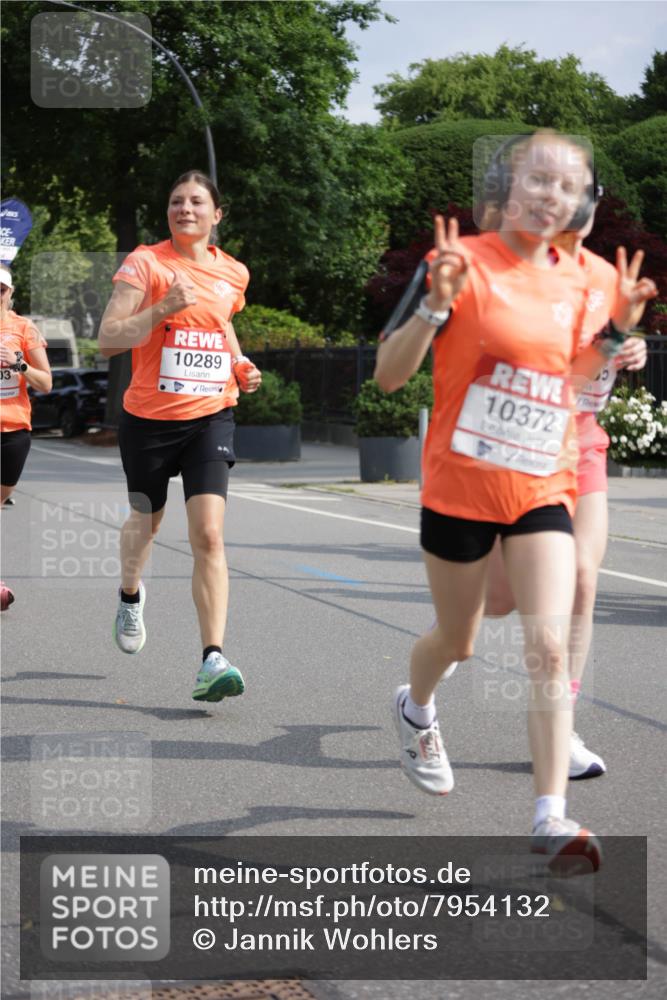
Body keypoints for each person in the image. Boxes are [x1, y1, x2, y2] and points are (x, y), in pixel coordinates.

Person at [374, 131, 654, 870]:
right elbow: (388, 377)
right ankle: (416, 705)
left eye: (566, 186)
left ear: (579, 201)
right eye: (537, 180)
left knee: (549, 641)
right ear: (508, 185)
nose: (549, 195)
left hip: (543, 483)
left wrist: (620, 333)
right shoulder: (461, 260)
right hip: (459, 488)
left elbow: (572, 379)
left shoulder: (593, 277)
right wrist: (434, 308)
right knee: (461, 638)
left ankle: (550, 817)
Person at [482, 197, 652, 779]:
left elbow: (620, 347)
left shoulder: (608, 278)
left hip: (582, 444)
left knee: (583, 577)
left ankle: (561, 722)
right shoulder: (522, 278)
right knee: (497, 601)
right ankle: (440, 656)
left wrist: (634, 347)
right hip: (523, 449)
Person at [99, 171, 261, 701]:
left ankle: (212, 657)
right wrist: (165, 305)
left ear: (218, 214)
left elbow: (221, 324)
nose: (184, 208)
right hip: (148, 418)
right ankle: (129, 594)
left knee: (209, 534)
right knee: (146, 518)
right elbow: (107, 340)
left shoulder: (233, 272)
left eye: (196, 201)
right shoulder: (145, 263)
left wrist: (239, 364)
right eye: (175, 201)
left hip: (211, 414)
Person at [0, 264, 53, 608]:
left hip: (13, 431)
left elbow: (46, 383)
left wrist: (18, 362)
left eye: (0, 289)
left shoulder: (23, 328)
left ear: (10, 292)